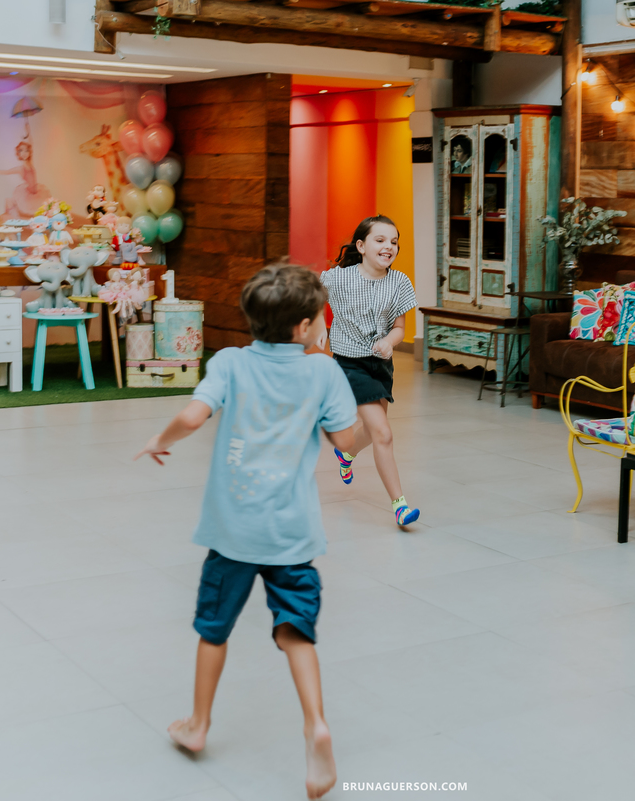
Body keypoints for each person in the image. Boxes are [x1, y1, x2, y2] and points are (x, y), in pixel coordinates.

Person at [135, 263, 356, 801]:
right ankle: (316, 725)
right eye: (320, 317)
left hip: (233, 531)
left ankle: (198, 725)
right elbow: (347, 441)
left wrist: (160, 440)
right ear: (303, 327)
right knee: (296, 630)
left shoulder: (230, 363)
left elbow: (193, 417)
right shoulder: (324, 372)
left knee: (214, 629)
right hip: (291, 534)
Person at [321, 215, 421, 527]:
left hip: (381, 365)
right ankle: (400, 505)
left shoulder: (399, 282)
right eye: (380, 240)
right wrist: (318, 325)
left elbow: (400, 327)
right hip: (350, 364)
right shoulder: (340, 278)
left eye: (394, 242)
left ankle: (346, 452)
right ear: (362, 246)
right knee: (383, 433)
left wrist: (390, 342)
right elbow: (310, 293)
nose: (388, 246)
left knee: (372, 430)